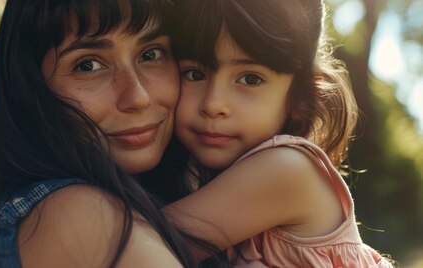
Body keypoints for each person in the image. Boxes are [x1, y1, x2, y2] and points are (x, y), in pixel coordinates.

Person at [0, 0, 223, 267]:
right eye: (88, 65)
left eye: (151, 54)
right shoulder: (75, 213)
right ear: (29, 91)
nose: (138, 97)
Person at [163, 0, 395, 266]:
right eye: (194, 74)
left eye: (250, 79)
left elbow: (134, 244)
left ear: (299, 98)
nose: (213, 104)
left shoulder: (288, 168)